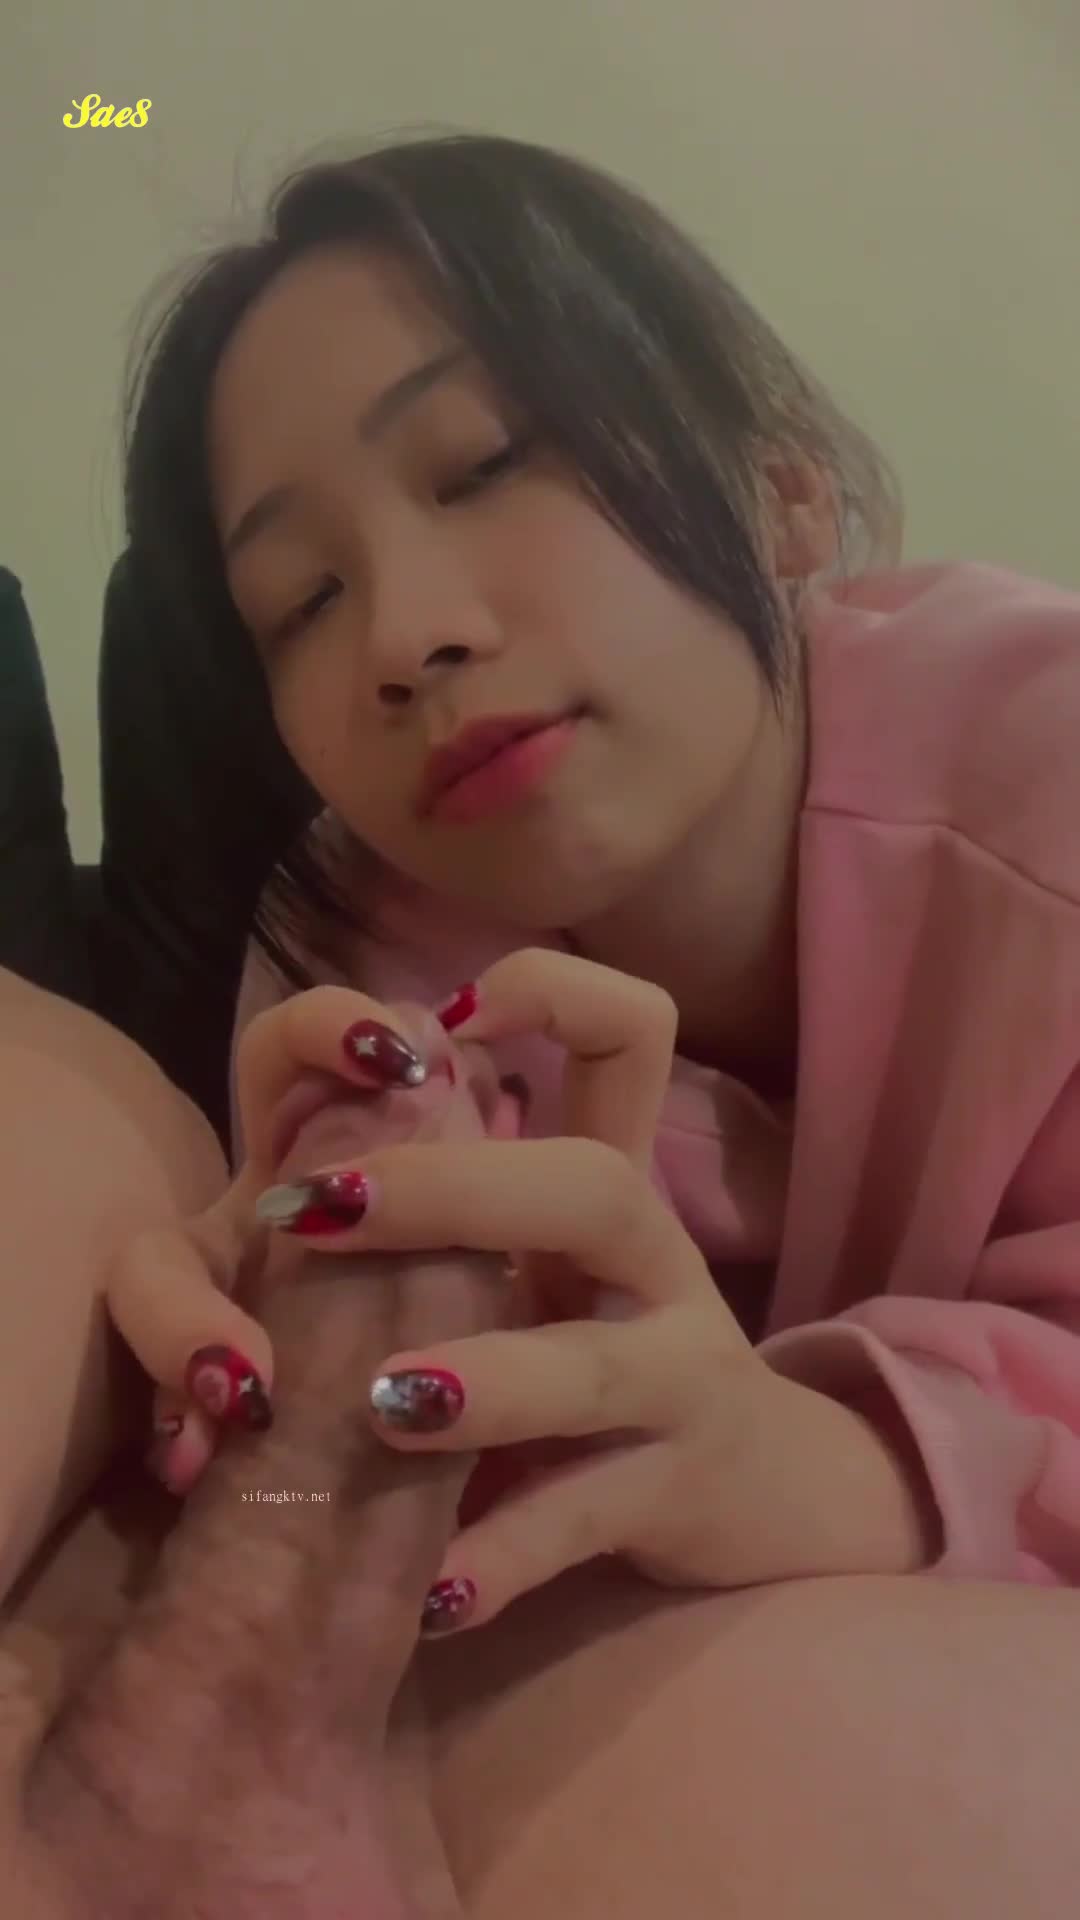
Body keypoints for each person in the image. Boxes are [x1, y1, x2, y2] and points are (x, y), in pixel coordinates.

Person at [110, 130, 1080, 1600]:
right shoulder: (356, 961)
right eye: (301, 602)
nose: (401, 638)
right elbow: (393, 1484)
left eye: (486, 463)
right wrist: (282, 1369)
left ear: (784, 492)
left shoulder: (1043, 782)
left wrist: (859, 1464)